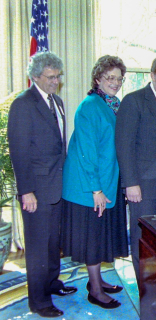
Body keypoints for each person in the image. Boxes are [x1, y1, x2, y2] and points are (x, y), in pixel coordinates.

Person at [7, 52, 77, 318]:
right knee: (37, 247)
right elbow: (19, 152)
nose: (55, 81)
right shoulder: (23, 105)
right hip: (35, 189)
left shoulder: (56, 101)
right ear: (34, 76)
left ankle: (52, 282)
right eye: (50, 77)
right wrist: (27, 191)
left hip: (56, 186)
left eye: (58, 76)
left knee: (52, 242)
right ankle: (38, 301)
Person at [61, 55, 129, 309]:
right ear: (98, 78)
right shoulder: (89, 106)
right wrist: (96, 190)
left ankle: (96, 279)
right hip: (88, 186)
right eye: (110, 78)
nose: (115, 83)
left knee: (100, 236)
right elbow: (86, 152)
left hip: (106, 180)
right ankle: (95, 291)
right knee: (93, 238)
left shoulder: (112, 104)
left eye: (119, 78)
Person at [115, 54, 156, 280]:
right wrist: (130, 183)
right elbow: (124, 146)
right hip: (142, 187)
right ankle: (144, 289)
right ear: (152, 75)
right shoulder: (133, 101)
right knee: (141, 238)